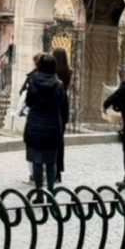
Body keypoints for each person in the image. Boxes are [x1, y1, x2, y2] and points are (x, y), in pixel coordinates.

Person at [23, 54, 68, 193]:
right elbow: (61, 103)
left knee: (36, 160)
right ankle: (50, 190)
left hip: (35, 124)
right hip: (52, 125)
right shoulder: (59, 84)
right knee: (51, 161)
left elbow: (29, 102)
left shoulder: (33, 81)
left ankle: (39, 191)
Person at [52, 47, 73, 182]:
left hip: (55, 102)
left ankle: (51, 169)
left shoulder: (53, 71)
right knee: (60, 139)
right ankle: (58, 170)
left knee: (52, 140)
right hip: (64, 103)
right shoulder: (68, 71)